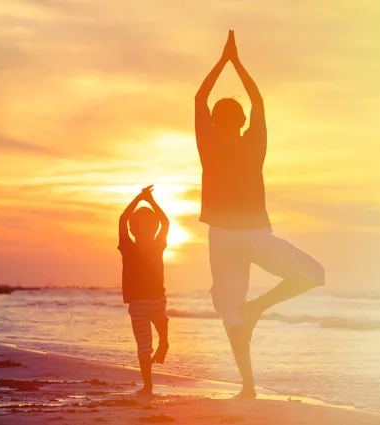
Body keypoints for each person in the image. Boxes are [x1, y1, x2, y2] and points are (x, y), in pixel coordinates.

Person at [194, 30, 326, 398]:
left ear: (216, 121)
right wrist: (237, 62)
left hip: (221, 236)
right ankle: (258, 308)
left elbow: (199, 97)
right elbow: (258, 99)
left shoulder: (207, 142)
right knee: (314, 273)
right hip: (255, 234)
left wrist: (222, 61)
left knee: (229, 310)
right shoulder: (254, 142)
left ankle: (249, 385)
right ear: (242, 120)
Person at [118, 185, 170, 395]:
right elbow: (165, 222)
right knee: (160, 319)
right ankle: (164, 342)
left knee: (144, 346)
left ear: (133, 230)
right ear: (154, 228)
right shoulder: (157, 244)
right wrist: (149, 200)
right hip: (154, 300)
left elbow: (122, 219)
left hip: (139, 303)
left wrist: (139, 198)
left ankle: (148, 386)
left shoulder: (128, 246)